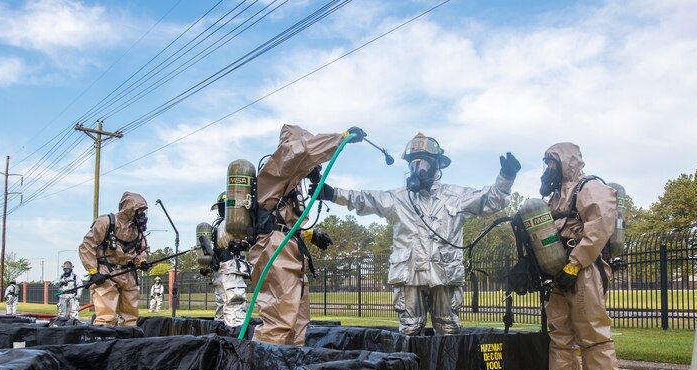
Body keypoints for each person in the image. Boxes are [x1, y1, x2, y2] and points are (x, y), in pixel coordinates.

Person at [318, 132, 520, 335]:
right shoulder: (399, 198)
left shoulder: (456, 197)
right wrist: (333, 194)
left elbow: (492, 200)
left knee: (448, 329)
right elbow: (364, 199)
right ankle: (409, 366)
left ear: (436, 165)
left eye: (422, 163)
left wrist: (506, 177)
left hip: (445, 276)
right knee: (410, 330)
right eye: (413, 164)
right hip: (409, 275)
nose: (417, 170)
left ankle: (447, 368)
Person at [245, 124, 353, 345]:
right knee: (279, 320)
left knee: (298, 323)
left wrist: (311, 235)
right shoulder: (281, 161)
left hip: (289, 248)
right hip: (275, 250)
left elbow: (287, 223)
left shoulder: (289, 185)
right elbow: (300, 152)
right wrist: (338, 139)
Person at [540, 142, 622, 370]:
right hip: (558, 271)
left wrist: (574, 265)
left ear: (567, 162)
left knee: (592, 332)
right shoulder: (554, 198)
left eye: (552, 162)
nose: (548, 168)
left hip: (584, 270)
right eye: (546, 163)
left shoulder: (590, 188)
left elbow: (598, 230)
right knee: (560, 335)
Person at [79, 192, 151, 326]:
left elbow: (143, 249)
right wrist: (93, 272)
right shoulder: (106, 222)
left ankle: (128, 340)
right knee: (106, 317)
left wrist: (141, 261)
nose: (142, 214)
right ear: (129, 209)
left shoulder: (137, 230)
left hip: (127, 273)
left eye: (143, 211)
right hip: (106, 271)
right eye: (139, 210)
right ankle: (102, 342)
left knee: (130, 316)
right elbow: (87, 245)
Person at [209, 191, 251, 327]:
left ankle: (221, 340)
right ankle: (234, 341)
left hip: (220, 271)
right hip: (230, 270)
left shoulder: (217, 226)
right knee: (235, 304)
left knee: (221, 309)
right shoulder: (230, 226)